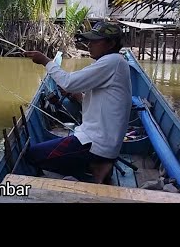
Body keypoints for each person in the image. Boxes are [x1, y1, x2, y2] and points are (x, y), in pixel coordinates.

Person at [23, 21, 132, 183]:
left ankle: (95, 167)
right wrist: (78, 96)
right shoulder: (113, 63)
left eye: (95, 41)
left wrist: (45, 60)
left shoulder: (112, 62)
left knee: (32, 155)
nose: (89, 45)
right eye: (89, 40)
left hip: (96, 145)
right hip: (98, 140)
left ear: (111, 43)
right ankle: (95, 166)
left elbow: (68, 82)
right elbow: (98, 102)